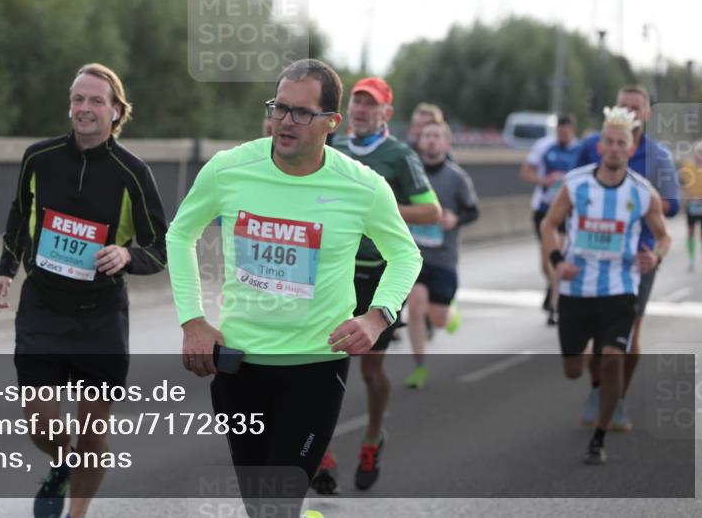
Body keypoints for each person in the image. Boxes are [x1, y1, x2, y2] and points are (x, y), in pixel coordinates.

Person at [165, 59, 422, 517]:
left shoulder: (362, 187)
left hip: (316, 368)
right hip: (239, 366)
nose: (285, 121)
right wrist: (193, 320)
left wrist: (378, 315)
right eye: (279, 108)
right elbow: (179, 233)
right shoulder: (229, 169)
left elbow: (406, 254)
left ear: (331, 122)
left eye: (301, 112)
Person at [0, 63, 168, 518]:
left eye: (95, 101)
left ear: (116, 111)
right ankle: (60, 463)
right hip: (43, 308)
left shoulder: (133, 173)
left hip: (100, 315)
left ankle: (77, 513)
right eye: (78, 99)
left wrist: (127, 256)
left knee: (92, 430)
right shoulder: (39, 157)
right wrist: (5, 269)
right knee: (41, 423)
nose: (84, 109)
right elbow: (19, 213)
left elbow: (160, 246)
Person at [313, 77, 441, 493]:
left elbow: (431, 212)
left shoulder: (399, 156)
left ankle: (372, 437)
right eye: (357, 102)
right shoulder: (334, 149)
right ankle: (321, 450)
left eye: (371, 105)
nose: (361, 110)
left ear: (387, 113)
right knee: (321, 364)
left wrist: (378, 204)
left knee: (370, 371)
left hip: (379, 275)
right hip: (335, 273)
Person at [540, 106, 671, 464]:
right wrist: (556, 262)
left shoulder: (643, 192)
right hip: (576, 287)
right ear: (599, 147)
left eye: (621, 143)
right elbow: (549, 225)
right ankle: (590, 364)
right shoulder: (576, 183)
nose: (614, 149)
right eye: (608, 142)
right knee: (572, 369)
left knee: (614, 357)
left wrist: (655, 256)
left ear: (631, 148)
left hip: (620, 285)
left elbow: (664, 236)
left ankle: (599, 435)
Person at [570, 85, 679, 431]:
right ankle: (598, 388)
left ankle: (616, 400)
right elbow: (568, 190)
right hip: (589, 252)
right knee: (592, 337)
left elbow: (673, 205)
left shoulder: (657, 157)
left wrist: (634, 200)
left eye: (636, 107)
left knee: (627, 333)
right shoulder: (591, 146)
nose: (629, 112)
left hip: (637, 256)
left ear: (647, 114)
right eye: (623, 106)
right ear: (612, 110)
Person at [405, 118, 480, 386]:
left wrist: (455, 219)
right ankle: (420, 367)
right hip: (414, 255)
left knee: (437, 319)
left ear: (445, 143)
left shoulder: (456, 177)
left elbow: (474, 211)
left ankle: (450, 315)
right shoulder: (410, 174)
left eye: (437, 136)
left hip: (444, 258)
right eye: (427, 135)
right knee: (415, 306)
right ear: (419, 141)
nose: (432, 140)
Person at [520, 114, 581, 325]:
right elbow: (526, 171)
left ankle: (555, 306)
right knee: (545, 261)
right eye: (559, 131)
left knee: (558, 254)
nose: (562, 135)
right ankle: (553, 286)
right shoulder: (544, 146)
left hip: (567, 211)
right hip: (544, 209)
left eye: (567, 132)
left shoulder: (579, 150)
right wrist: (543, 180)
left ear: (572, 131)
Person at [678, 140, 702, 269]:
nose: (700, 155)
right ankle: (692, 259)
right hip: (692, 204)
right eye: (698, 152)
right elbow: (681, 184)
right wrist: (683, 200)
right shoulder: (687, 167)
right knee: (690, 232)